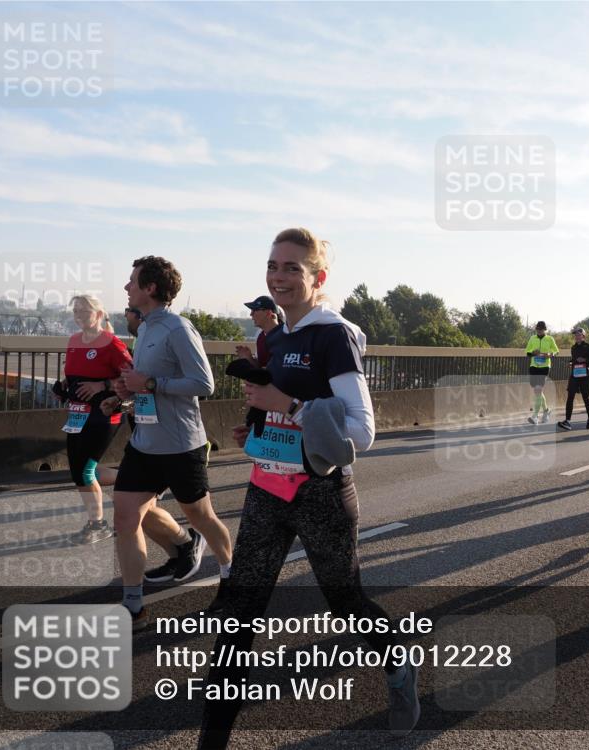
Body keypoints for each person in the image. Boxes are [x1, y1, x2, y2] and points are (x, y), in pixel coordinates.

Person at [198, 228, 420, 746]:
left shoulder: (332, 336)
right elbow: (284, 412)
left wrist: (288, 405)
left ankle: (397, 664)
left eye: (292, 268)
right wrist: (259, 431)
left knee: (346, 603)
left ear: (318, 277)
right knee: (237, 617)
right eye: (273, 266)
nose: (278, 277)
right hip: (266, 489)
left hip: (320, 493)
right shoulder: (276, 337)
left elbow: (361, 432)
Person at [112, 256, 233, 630]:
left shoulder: (178, 328)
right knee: (125, 517)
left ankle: (231, 576)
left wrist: (150, 383)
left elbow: (204, 384)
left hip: (181, 446)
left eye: (132, 281)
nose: (127, 287)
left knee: (201, 516)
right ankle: (133, 605)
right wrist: (127, 392)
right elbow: (146, 384)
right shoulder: (146, 328)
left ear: (150, 288)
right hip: (144, 443)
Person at [55, 295, 131, 545]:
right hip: (77, 413)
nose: (78, 315)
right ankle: (133, 479)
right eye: (75, 311)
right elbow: (74, 373)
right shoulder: (74, 341)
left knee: (86, 471)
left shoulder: (112, 343)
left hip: (104, 413)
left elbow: (133, 376)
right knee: (78, 471)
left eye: (84, 311)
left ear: (98, 314)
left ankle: (97, 524)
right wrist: (65, 386)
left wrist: (102, 384)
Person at [558, 327, 589, 430]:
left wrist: (585, 359)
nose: (576, 337)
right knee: (570, 396)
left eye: (578, 335)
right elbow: (574, 360)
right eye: (575, 335)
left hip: (585, 375)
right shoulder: (573, 348)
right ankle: (567, 421)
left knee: (586, 397)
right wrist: (570, 363)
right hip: (575, 375)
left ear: (583, 336)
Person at [525, 321, 559, 424]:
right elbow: (527, 352)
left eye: (541, 329)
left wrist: (550, 354)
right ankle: (546, 410)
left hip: (544, 367)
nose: (539, 331)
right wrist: (532, 353)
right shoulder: (532, 338)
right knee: (537, 391)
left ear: (545, 330)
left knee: (538, 389)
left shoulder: (550, 339)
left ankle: (535, 416)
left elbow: (556, 351)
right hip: (534, 366)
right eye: (538, 329)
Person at [235, 295, 282, 366]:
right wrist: (249, 358)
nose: (251, 314)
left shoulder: (285, 335)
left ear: (268, 313)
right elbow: (261, 366)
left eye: (255, 310)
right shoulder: (260, 337)